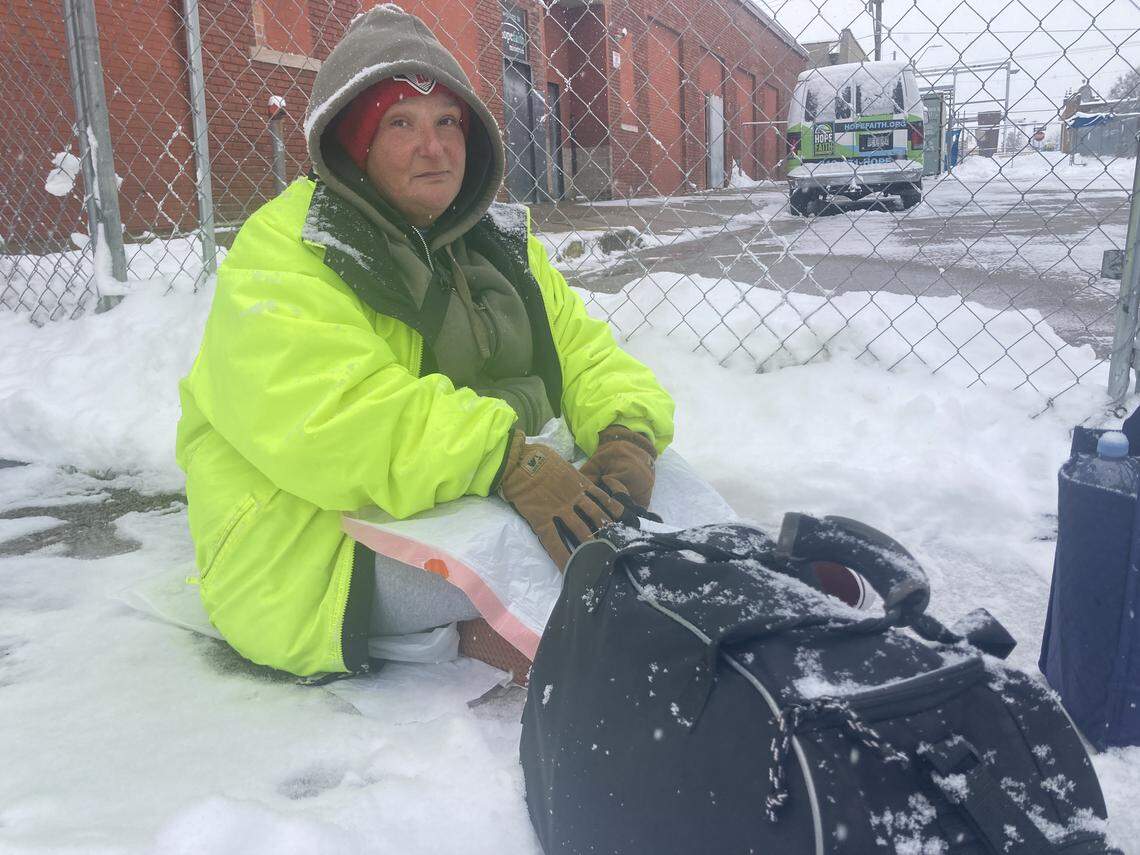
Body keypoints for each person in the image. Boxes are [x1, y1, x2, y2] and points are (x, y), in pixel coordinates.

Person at [174, 6, 674, 678]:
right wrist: (507, 460)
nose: (433, 146)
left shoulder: (501, 241)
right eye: (400, 124)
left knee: (655, 505)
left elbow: (585, 350)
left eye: (447, 122)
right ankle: (543, 648)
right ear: (357, 145)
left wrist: (627, 436)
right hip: (312, 537)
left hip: (469, 489)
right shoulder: (288, 247)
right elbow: (335, 415)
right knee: (566, 561)